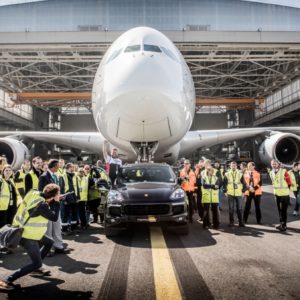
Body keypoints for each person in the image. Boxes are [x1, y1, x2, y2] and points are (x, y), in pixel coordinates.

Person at [0, 184, 61, 291]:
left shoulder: (34, 193)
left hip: (25, 229)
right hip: (28, 235)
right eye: (58, 193)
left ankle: (36, 269)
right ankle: (6, 280)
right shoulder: (42, 205)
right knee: (36, 263)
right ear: (53, 195)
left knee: (49, 242)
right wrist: (56, 202)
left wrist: (50, 200)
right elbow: (54, 217)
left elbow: (35, 209)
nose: (59, 195)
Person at [39, 159, 68, 254]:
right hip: (49, 206)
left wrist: (59, 197)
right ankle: (48, 249)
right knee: (49, 229)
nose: (59, 167)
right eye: (58, 165)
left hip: (56, 205)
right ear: (54, 166)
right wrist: (54, 198)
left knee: (57, 227)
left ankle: (58, 246)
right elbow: (42, 193)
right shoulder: (43, 177)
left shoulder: (55, 176)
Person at [268, 159, 291, 231]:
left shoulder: (284, 171)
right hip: (277, 194)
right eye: (272, 164)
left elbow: (289, 182)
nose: (274, 165)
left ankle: (284, 225)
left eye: (275, 164)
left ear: (278, 164)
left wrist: (286, 190)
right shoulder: (271, 172)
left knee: (283, 210)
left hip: (284, 194)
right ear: (271, 165)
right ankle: (281, 223)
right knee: (279, 210)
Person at [223, 161, 246, 227]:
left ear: (236, 166)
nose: (233, 166)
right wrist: (225, 191)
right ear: (230, 166)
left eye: (234, 165)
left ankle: (240, 222)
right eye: (232, 165)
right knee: (231, 209)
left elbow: (244, 183)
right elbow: (224, 183)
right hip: (230, 193)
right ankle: (231, 222)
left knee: (239, 208)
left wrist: (243, 192)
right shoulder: (227, 174)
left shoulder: (240, 173)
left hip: (239, 193)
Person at [59, 163, 79, 233]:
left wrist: (78, 197)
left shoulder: (74, 176)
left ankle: (74, 227)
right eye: (72, 167)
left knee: (74, 213)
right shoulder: (63, 176)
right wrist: (63, 199)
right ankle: (64, 229)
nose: (73, 168)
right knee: (65, 214)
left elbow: (77, 187)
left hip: (74, 197)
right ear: (68, 168)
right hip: (66, 198)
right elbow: (61, 188)